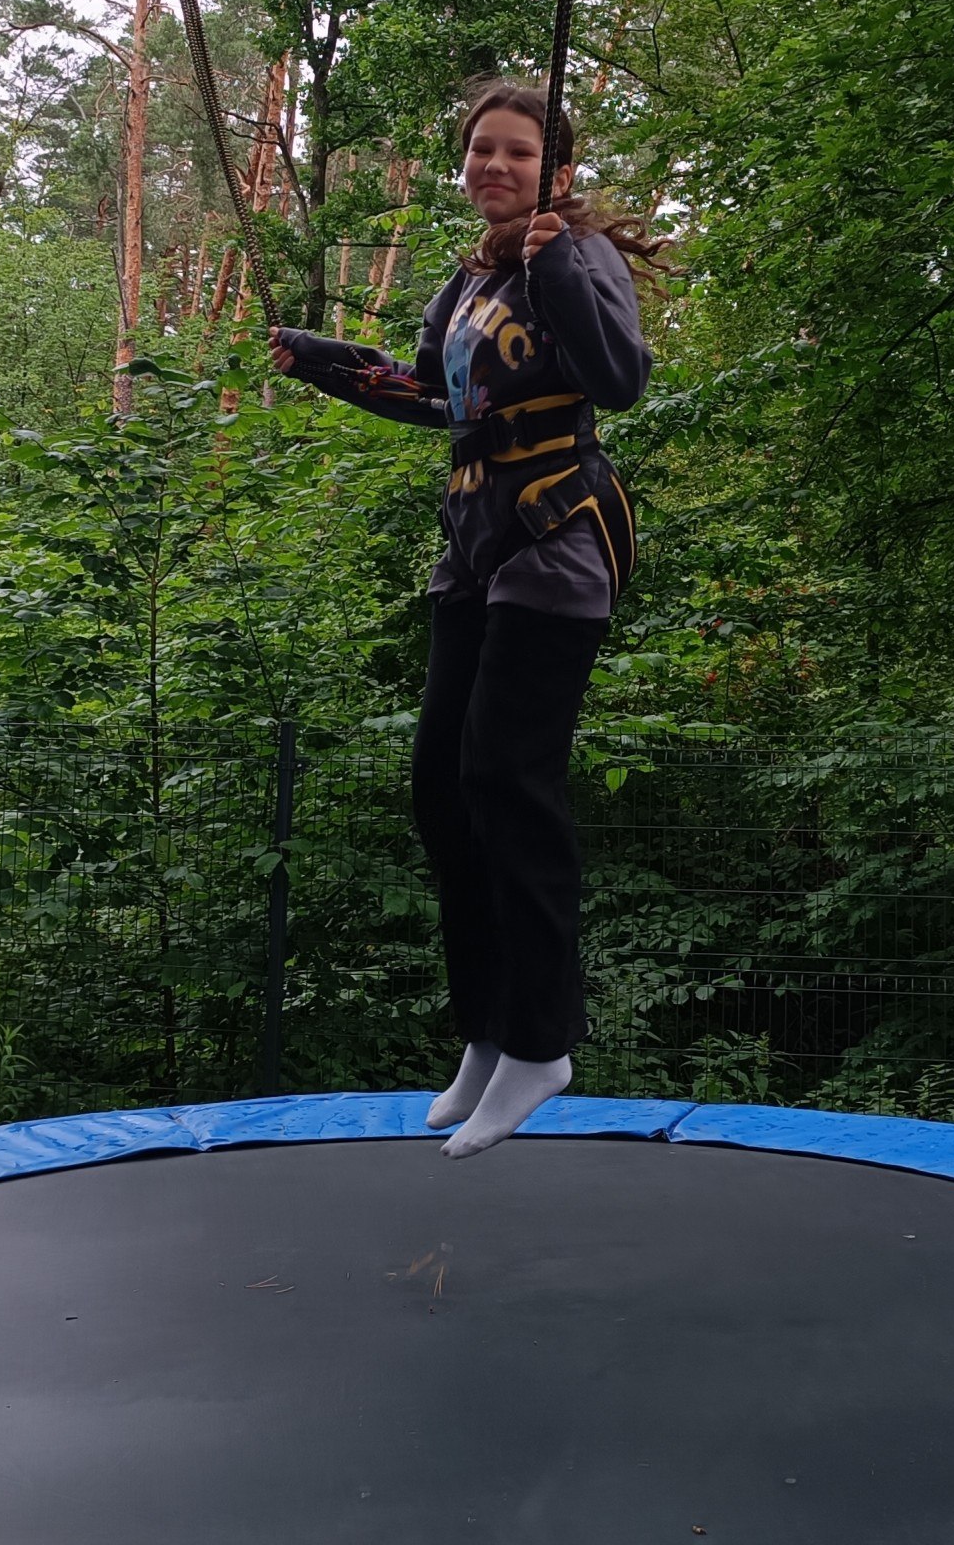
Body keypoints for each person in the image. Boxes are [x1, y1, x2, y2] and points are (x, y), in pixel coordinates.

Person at [270, 80, 662, 1157]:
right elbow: (438, 398)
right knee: (442, 790)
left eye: (518, 152)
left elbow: (619, 379)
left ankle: (542, 1042)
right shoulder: (470, 277)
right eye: (481, 149)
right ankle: (488, 1029)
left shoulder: (577, 256)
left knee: (506, 778)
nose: (495, 165)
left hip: (556, 538)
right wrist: (321, 361)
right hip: (474, 545)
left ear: (556, 172)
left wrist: (554, 264)